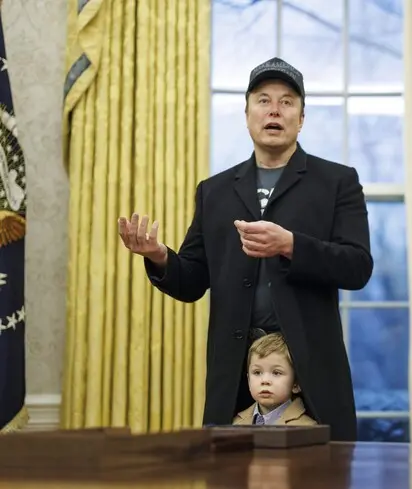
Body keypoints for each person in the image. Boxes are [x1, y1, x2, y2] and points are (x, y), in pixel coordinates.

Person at [117, 57, 372, 441]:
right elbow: (193, 281)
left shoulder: (337, 181)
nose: (274, 110)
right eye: (263, 100)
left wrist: (291, 245)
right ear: (247, 114)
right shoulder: (215, 191)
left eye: (287, 102)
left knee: (322, 469)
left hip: (312, 371)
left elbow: (357, 266)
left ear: (301, 118)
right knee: (227, 469)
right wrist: (159, 256)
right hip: (236, 373)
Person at [232, 333, 317, 426]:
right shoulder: (236, 422)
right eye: (257, 372)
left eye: (276, 373)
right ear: (248, 380)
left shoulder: (307, 427)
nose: (265, 381)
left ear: (296, 384)